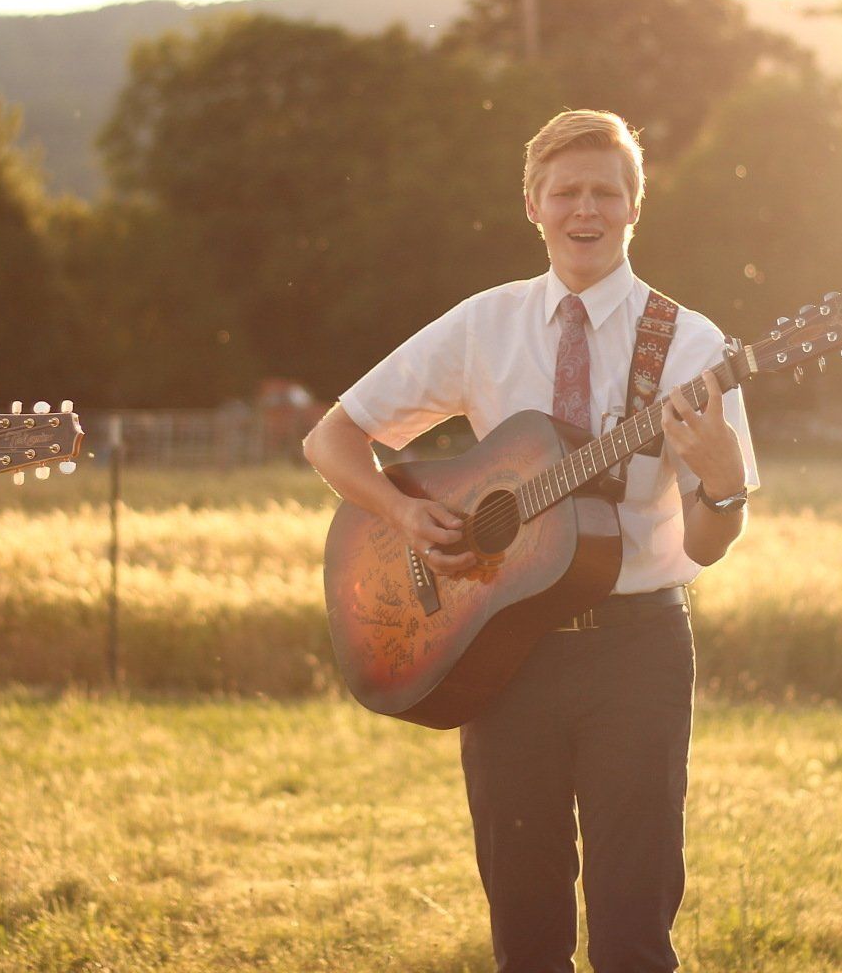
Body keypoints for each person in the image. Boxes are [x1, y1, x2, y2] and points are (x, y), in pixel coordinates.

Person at [303, 108, 757, 972]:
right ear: (533, 206)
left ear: (635, 207)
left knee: (633, 928)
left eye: (606, 192)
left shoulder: (691, 345)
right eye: (566, 192)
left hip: (638, 654)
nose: (586, 210)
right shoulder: (485, 324)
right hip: (501, 648)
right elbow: (331, 438)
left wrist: (724, 478)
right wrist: (403, 514)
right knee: (524, 925)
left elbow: (705, 543)